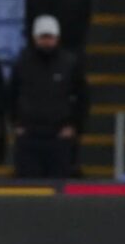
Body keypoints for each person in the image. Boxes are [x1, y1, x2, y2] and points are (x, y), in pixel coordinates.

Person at [10, 15, 89, 179]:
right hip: (29, 135)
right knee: (28, 187)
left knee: (59, 186)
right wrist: (15, 123)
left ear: (57, 38)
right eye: (43, 37)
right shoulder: (23, 63)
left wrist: (74, 126)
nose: (47, 41)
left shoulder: (70, 63)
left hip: (59, 136)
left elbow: (83, 97)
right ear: (35, 38)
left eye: (50, 37)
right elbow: (10, 94)